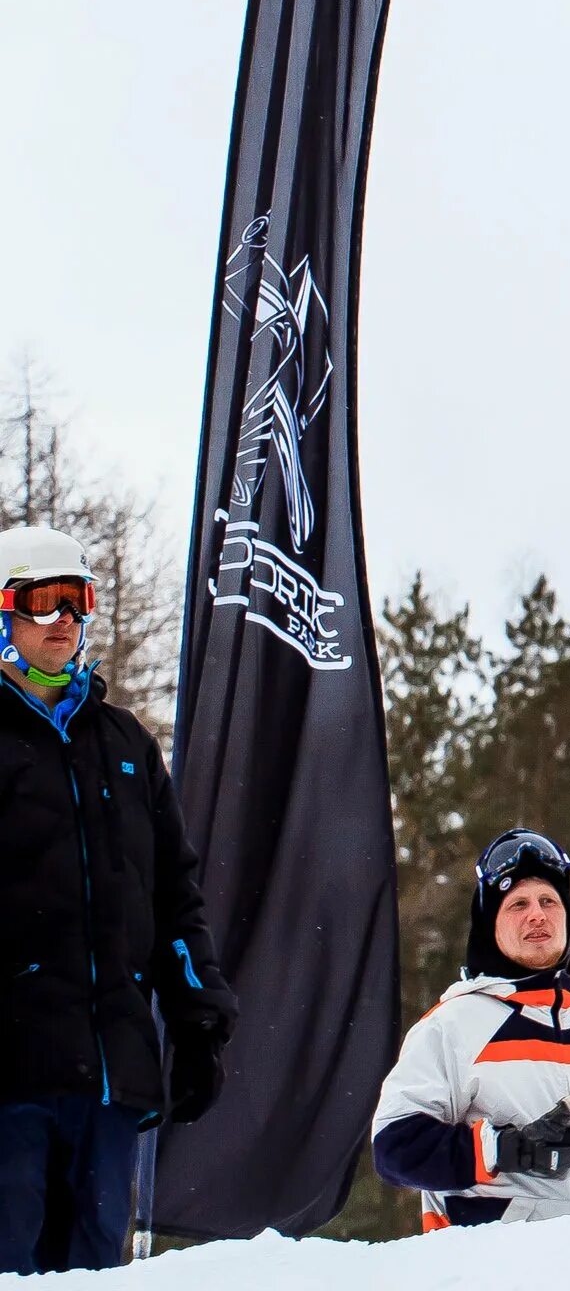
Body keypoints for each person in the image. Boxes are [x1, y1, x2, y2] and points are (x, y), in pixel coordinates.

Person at [0, 524, 235, 1273]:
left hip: (110, 1080)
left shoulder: (127, 744)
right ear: (5, 613)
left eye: (78, 599)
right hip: (10, 1081)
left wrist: (199, 1024)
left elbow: (175, 898)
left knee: (97, 1277)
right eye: (45, 601)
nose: (65, 619)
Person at [370, 830, 570, 1230]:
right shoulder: (452, 1025)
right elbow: (394, 1149)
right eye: (518, 904)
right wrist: (505, 1149)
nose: (537, 915)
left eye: (549, 901)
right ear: (490, 927)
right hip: (490, 1273)